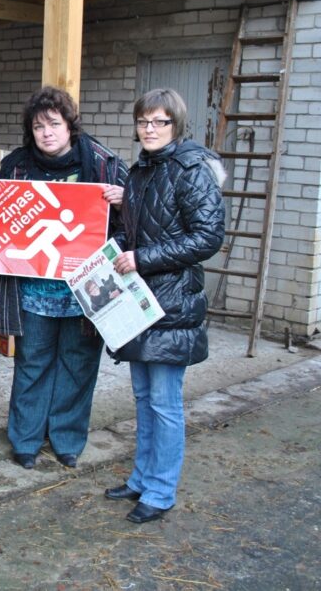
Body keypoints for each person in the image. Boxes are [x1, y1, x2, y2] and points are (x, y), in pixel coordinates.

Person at [106, 88, 226, 524]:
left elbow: (208, 238)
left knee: (164, 401)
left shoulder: (191, 170)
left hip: (173, 302)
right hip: (140, 304)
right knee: (142, 397)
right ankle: (142, 477)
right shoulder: (139, 172)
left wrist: (142, 258)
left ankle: (160, 490)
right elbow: (139, 233)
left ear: (176, 126)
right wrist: (111, 252)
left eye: (160, 122)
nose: (150, 129)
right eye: (144, 122)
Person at [0, 86, 128, 470]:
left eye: (54, 124)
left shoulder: (102, 164)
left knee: (78, 363)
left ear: (70, 126)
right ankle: (25, 439)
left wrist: (126, 200)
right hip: (33, 288)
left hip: (85, 291)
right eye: (38, 126)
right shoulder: (17, 167)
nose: (47, 132)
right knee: (32, 363)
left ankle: (67, 439)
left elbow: (130, 223)